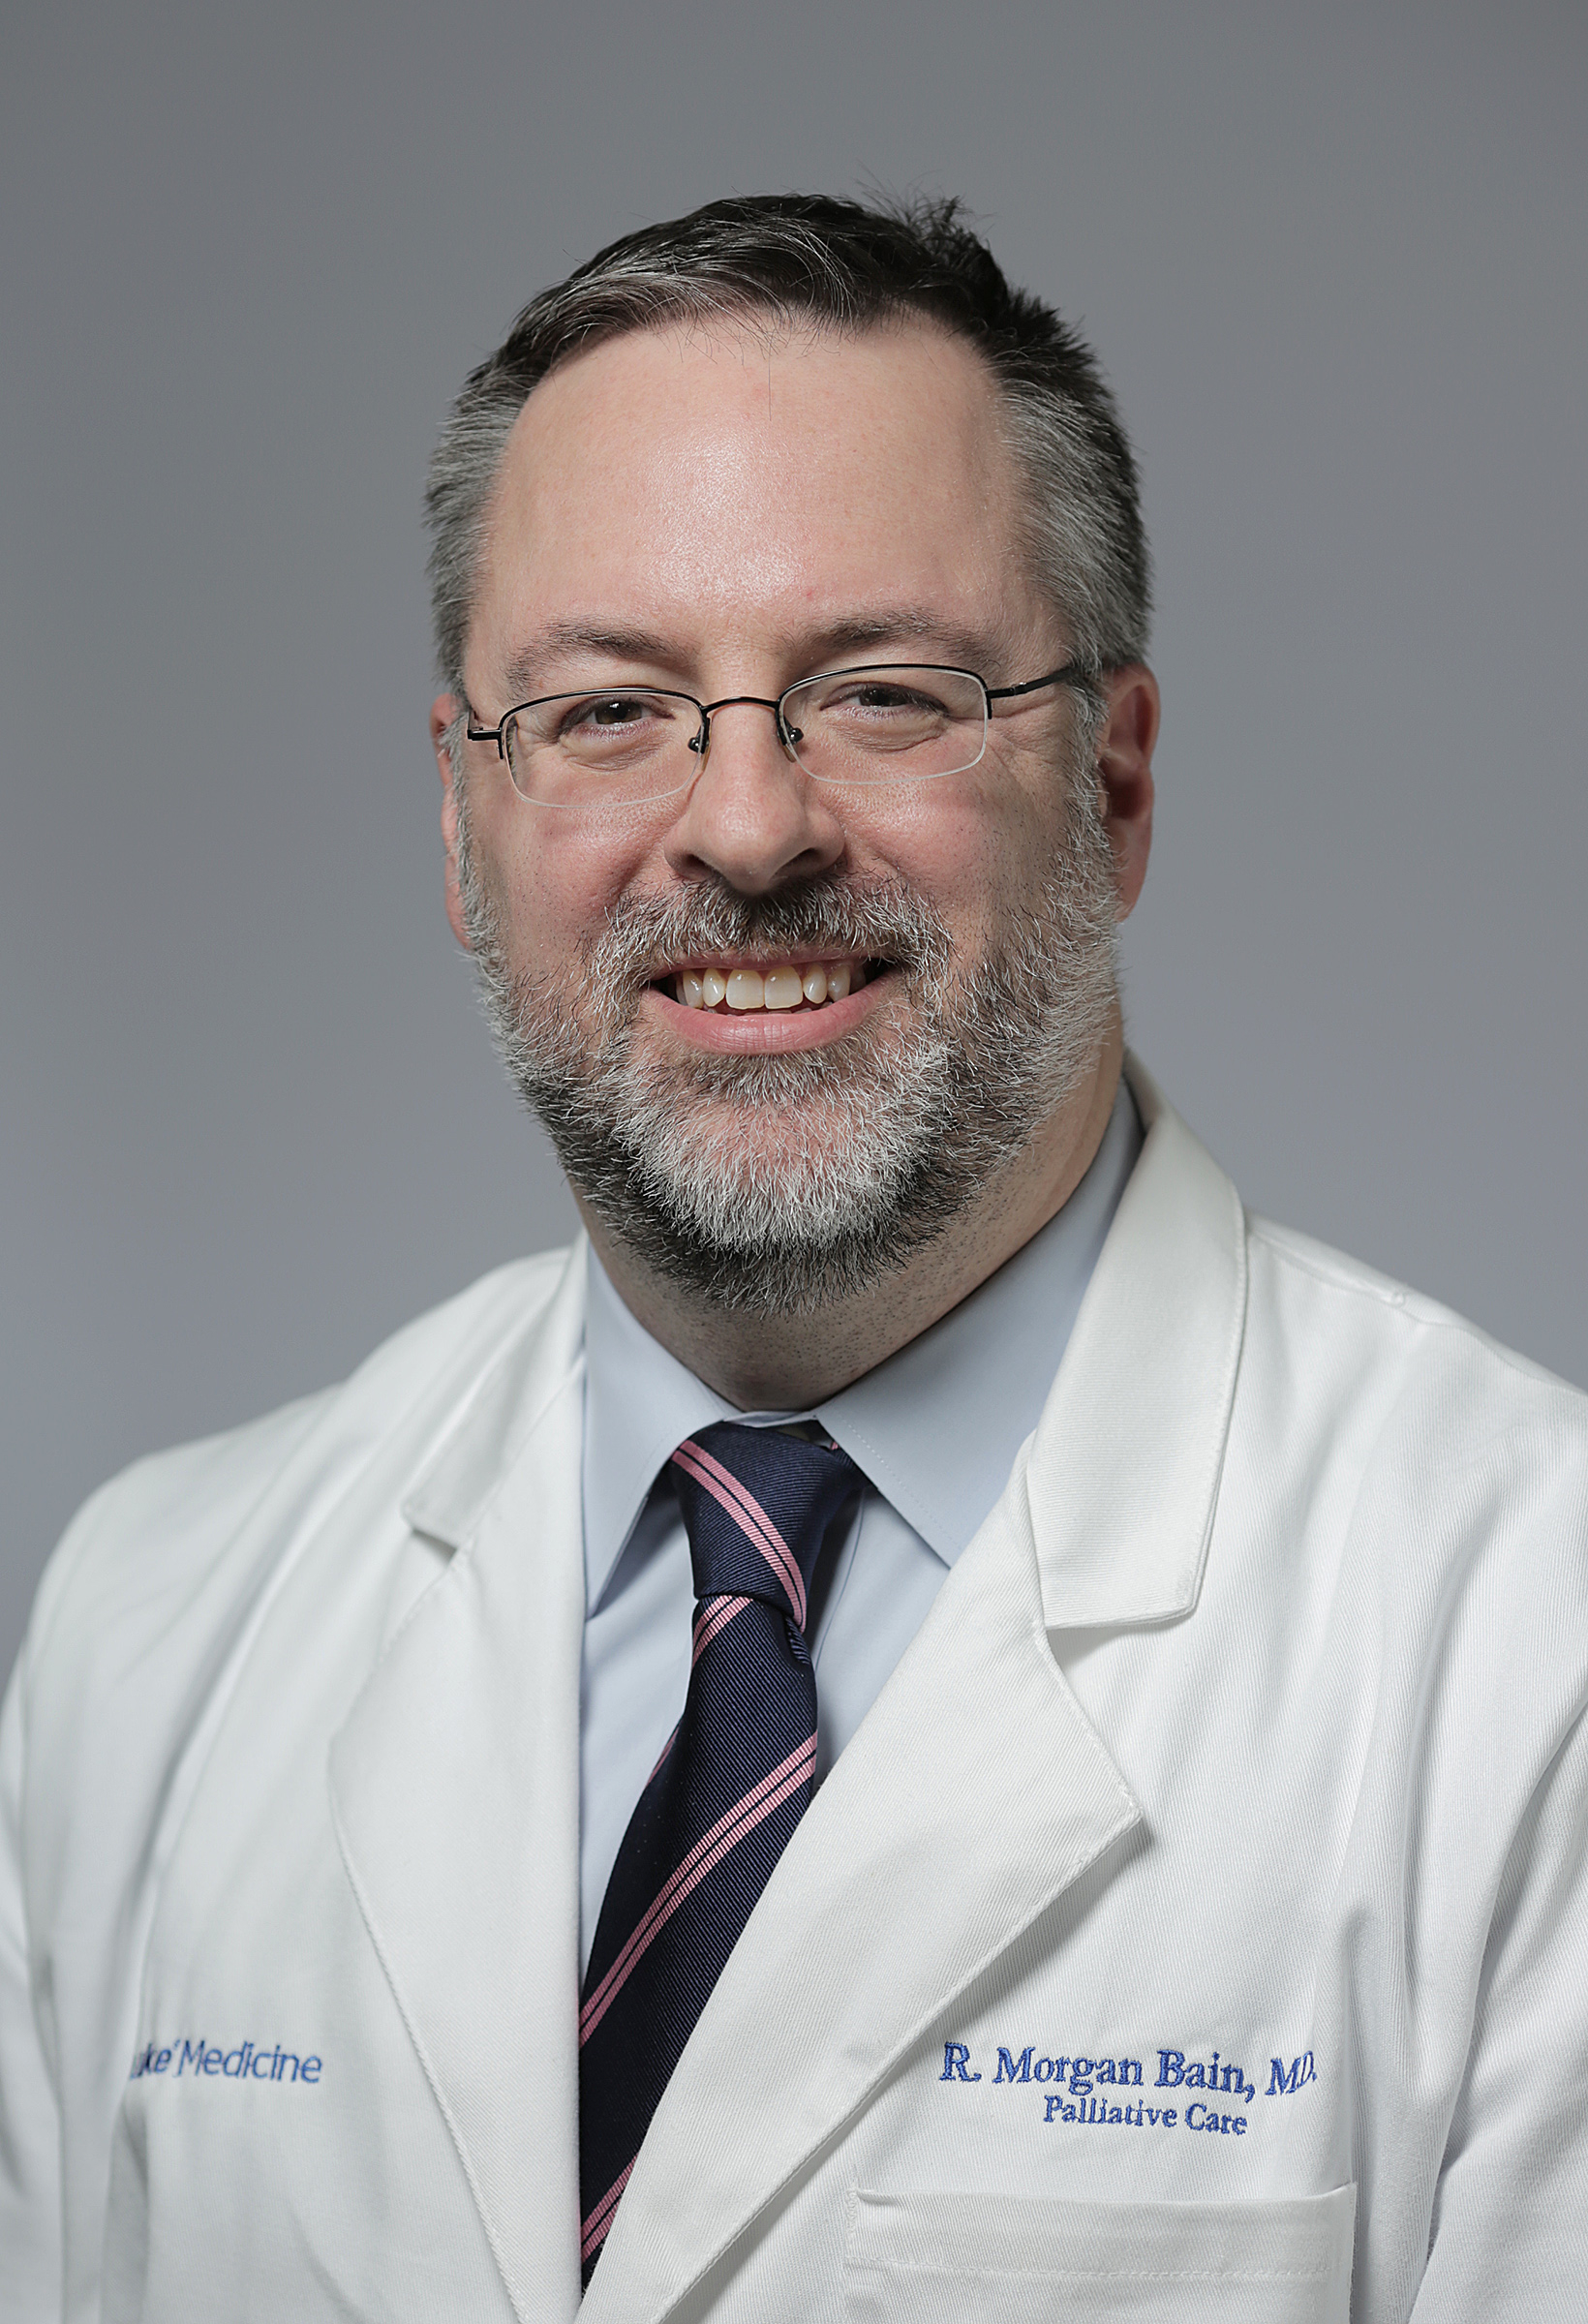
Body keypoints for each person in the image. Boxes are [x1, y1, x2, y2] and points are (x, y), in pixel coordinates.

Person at [2, 194, 1584, 2324]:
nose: (747, 827)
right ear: (463, 828)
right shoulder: (146, 1632)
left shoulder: (1532, 1655)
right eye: (608, 710)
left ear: (1113, 787)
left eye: (884, 695)